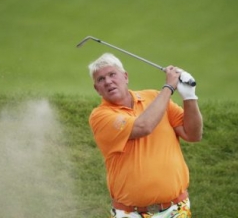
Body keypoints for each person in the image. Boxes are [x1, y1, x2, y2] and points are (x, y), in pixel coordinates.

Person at [87, 53, 203, 218]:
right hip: (131, 214)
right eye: (100, 79)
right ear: (97, 89)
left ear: (125, 77)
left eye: (112, 74)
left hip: (176, 209)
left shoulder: (155, 97)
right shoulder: (100, 116)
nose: (107, 81)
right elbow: (143, 126)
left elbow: (193, 134)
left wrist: (189, 96)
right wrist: (169, 87)